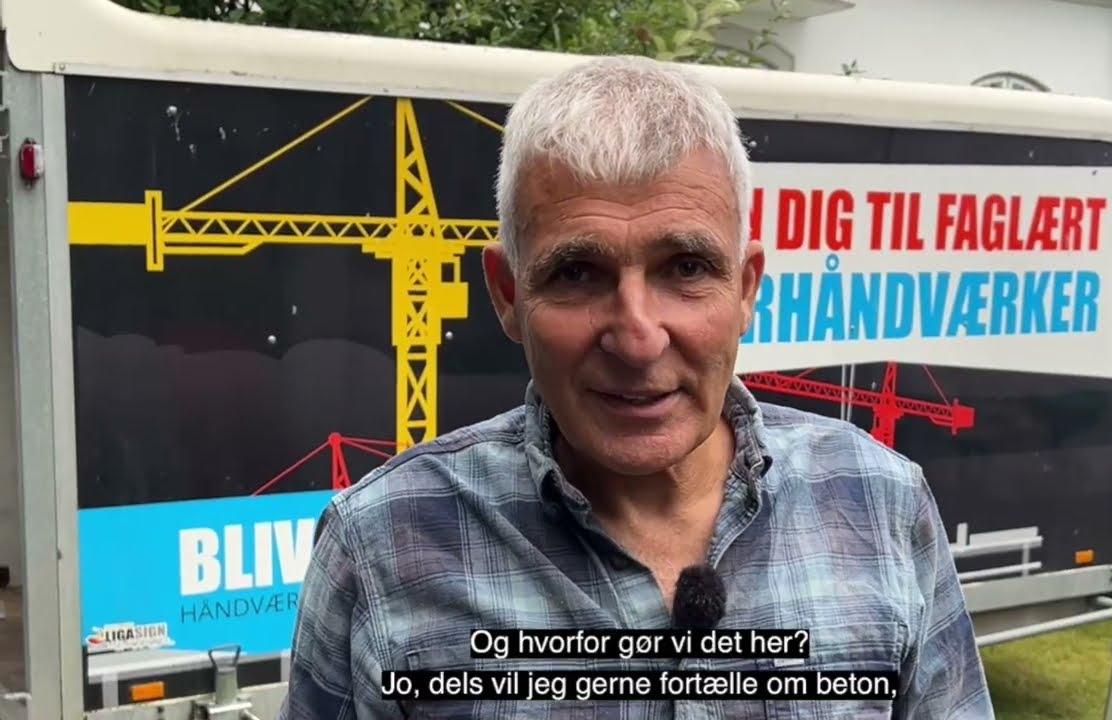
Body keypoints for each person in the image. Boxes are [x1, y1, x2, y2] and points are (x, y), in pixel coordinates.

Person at [281, 55, 994, 719]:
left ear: (746, 289)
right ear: (507, 294)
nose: (637, 337)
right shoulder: (381, 543)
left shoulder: (881, 500)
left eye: (686, 268)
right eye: (576, 273)